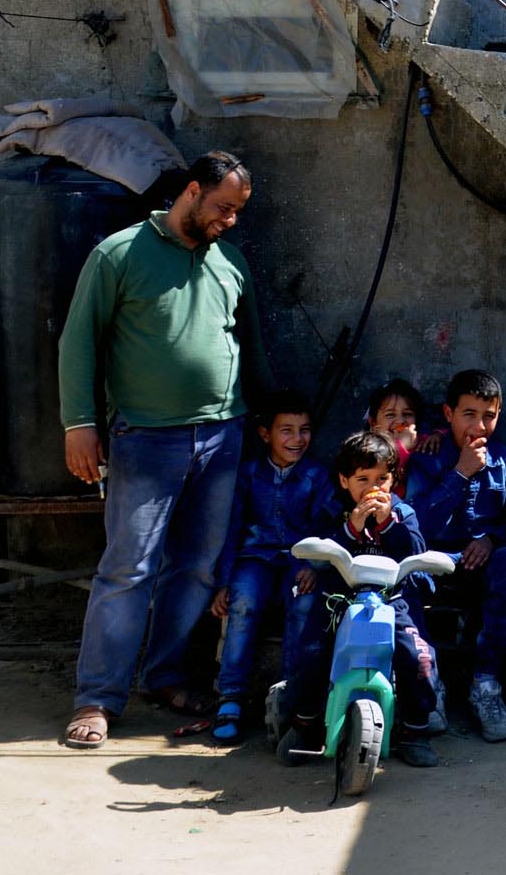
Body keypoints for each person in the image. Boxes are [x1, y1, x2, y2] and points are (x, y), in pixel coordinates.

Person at [58, 150, 271, 750]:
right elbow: (79, 344)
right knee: (128, 569)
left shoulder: (229, 263)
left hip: (224, 437)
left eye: (237, 213)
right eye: (223, 208)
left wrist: (268, 421)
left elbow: (251, 346)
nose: (230, 221)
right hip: (146, 437)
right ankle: (97, 697)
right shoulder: (119, 254)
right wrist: (80, 424)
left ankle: (167, 677)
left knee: (198, 568)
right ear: (192, 192)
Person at [208, 392, 339, 746]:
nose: (297, 439)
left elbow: (327, 527)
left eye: (304, 430)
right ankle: (230, 697)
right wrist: (222, 582)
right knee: (243, 602)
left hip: (299, 562)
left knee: (302, 607)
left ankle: (288, 697)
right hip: (256, 559)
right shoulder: (249, 473)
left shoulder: (317, 476)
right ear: (265, 434)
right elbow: (232, 527)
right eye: (287, 431)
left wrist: (315, 565)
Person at [406, 369, 506, 742]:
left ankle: (485, 686)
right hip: (432, 561)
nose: (479, 425)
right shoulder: (427, 460)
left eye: (488, 416)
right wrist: (460, 473)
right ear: (448, 414)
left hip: (479, 565)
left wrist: (491, 538)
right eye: (468, 414)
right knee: (403, 576)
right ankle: (429, 687)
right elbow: (418, 525)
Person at [318, 429, 447, 768]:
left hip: (394, 599)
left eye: (382, 478)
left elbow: (416, 551)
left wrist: (386, 522)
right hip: (343, 599)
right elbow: (323, 554)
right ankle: (303, 721)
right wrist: (353, 527)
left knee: (418, 657)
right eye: (363, 478)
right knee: (312, 648)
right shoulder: (336, 511)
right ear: (345, 481)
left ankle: (416, 730)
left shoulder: (402, 513)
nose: (373, 487)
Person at [366, 377, 425, 468]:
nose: (401, 421)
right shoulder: (367, 451)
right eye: (390, 415)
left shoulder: (423, 443)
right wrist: (401, 446)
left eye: (407, 414)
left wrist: (438, 434)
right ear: (373, 423)